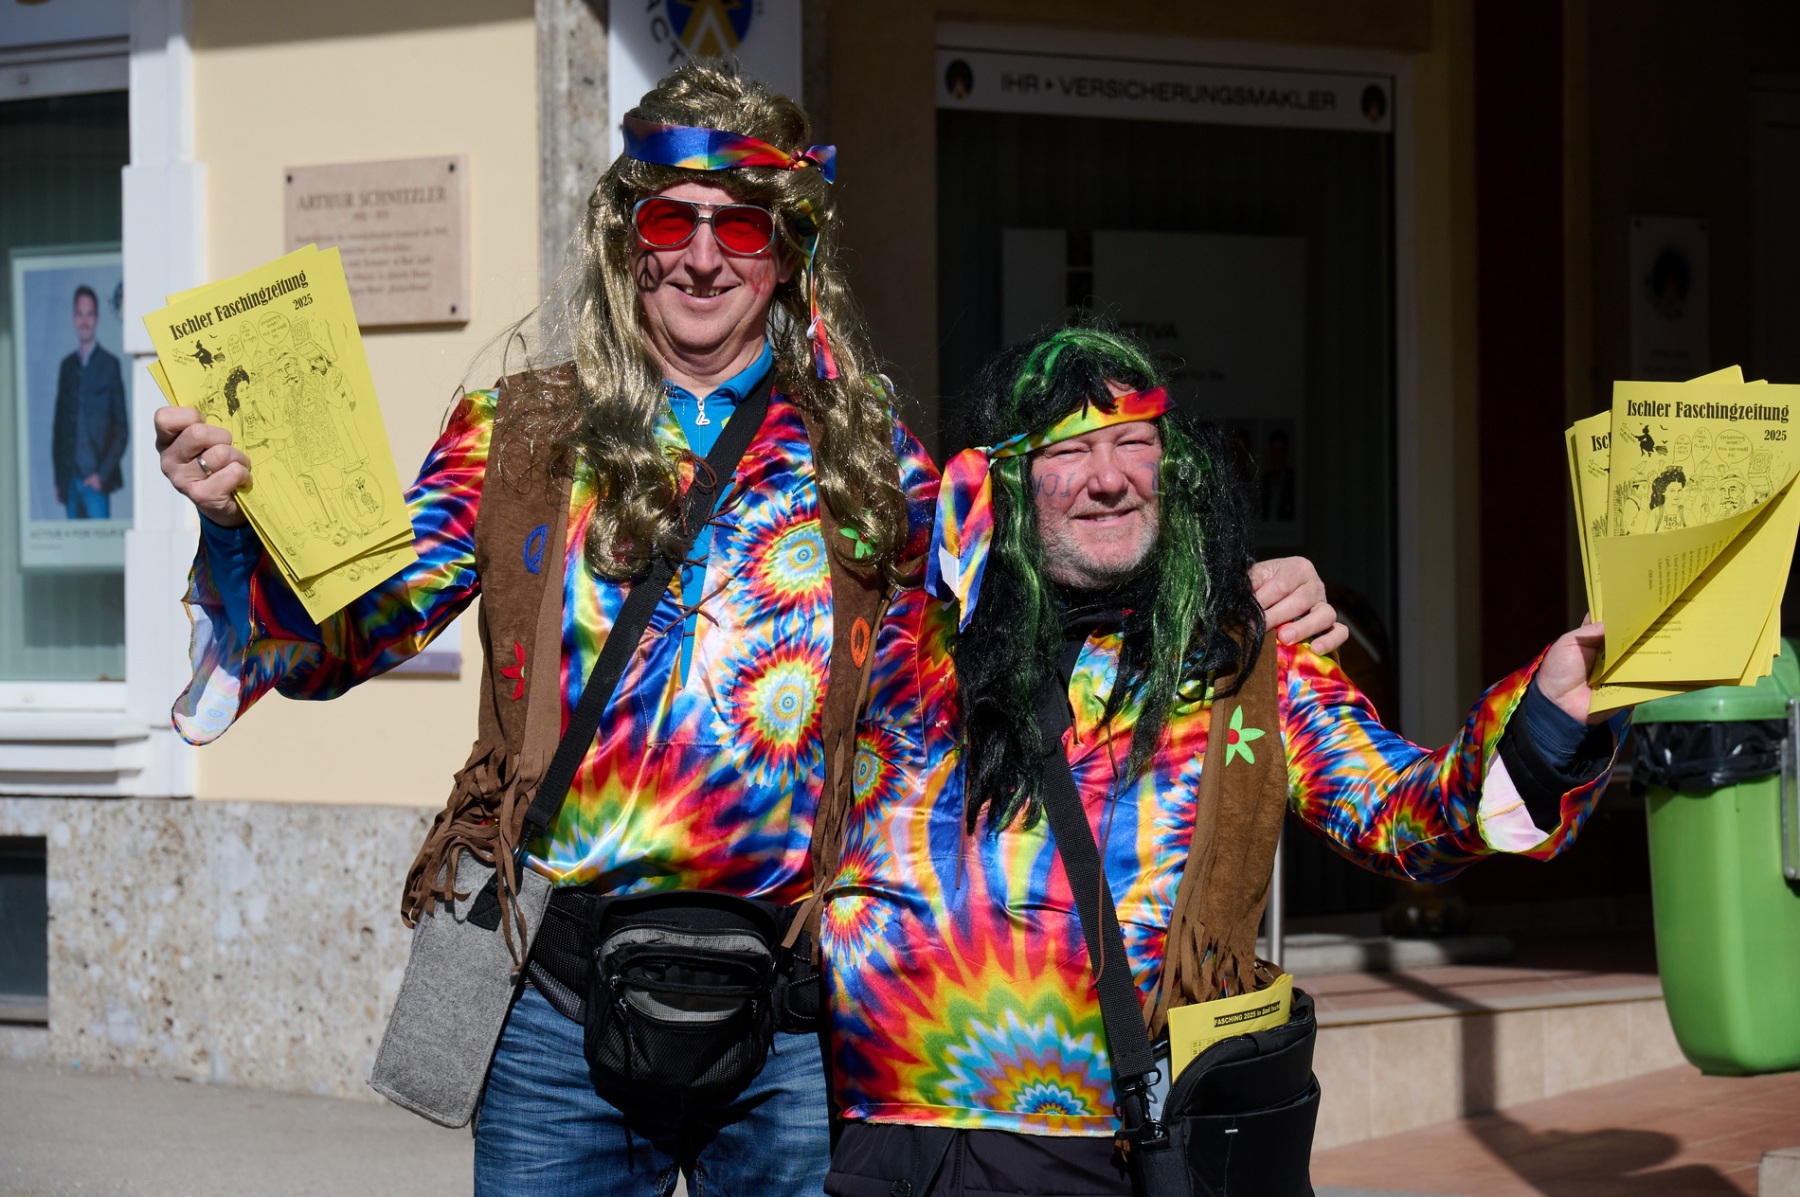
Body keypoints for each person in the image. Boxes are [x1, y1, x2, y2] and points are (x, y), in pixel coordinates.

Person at [151, 64, 1341, 1197]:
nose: (705, 258)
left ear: (789, 251)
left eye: (744, 227)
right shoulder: (520, 432)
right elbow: (347, 634)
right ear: (627, 239)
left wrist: (1228, 591)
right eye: (673, 221)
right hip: (558, 1007)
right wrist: (234, 529)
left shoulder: (865, 450)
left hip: (787, 1015)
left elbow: (1025, 609)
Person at [821, 326, 1627, 1197]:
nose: (1110, 476)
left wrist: (1549, 721)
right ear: (1006, 477)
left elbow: (1403, 816)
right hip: (888, 1146)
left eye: (1135, 441)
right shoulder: (907, 634)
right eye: (1072, 450)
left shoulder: (1245, 658)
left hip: (1111, 1152)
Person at [52, 284, 128, 519]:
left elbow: (121, 429)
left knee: (100, 541)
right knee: (72, 542)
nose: (84, 321)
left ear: (96, 319)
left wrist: (102, 474)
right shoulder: (67, 366)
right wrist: (59, 479)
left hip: (96, 484)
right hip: (69, 481)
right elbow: (59, 428)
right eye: (80, 314)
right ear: (74, 318)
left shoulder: (109, 364)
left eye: (89, 314)